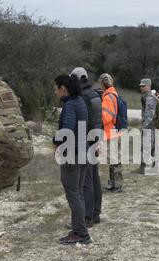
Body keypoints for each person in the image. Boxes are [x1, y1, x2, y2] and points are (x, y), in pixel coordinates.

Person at [53, 74, 91, 245]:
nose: (55, 92)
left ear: (63, 89)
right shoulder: (81, 102)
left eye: (56, 88)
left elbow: (67, 130)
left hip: (72, 154)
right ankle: (79, 229)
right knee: (79, 193)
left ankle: (81, 233)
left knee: (73, 194)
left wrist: (56, 141)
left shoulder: (69, 106)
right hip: (84, 152)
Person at [71, 67, 103, 226]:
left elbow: (85, 121)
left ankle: (87, 216)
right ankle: (96, 213)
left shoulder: (83, 96)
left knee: (86, 180)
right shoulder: (95, 93)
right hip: (96, 137)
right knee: (94, 177)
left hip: (88, 139)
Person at [98, 73, 123, 193]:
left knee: (114, 160)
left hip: (110, 131)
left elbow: (106, 117)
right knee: (113, 159)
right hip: (113, 131)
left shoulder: (108, 97)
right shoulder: (113, 95)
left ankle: (117, 185)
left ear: (103, 84)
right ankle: (113, 183)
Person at [133, 78, 157, 174]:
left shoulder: (150, 98)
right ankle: (155, 165)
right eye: (140, 86)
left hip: (150, 126)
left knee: (146, 146)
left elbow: (149, 115)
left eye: (143, 86)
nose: (141, 88)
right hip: (151, 126)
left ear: (148, 86)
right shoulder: (146, 96)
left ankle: (142, 167)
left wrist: (144, 127)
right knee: (152, 146)